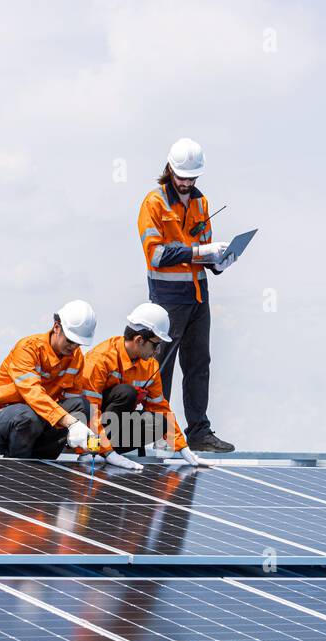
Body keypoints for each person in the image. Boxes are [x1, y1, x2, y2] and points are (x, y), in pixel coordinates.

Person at [136, 137, 237, 454]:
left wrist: (220, 260)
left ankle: (199, 433)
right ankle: (156, 433)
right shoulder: (153, 203)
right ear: (169, 169)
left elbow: (204, 255)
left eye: (192, 178)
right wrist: (199, 251)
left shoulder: (200, 202)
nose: (186, 183)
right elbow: (155, 255)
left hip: (197, 297)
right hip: (167, 300)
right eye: (182, 177)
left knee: (198, 364)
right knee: (160, 366)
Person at [79, 303, 208, 472]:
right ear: (139, 340)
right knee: (126, 393)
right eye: (156, 345)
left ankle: (109, 450)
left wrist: (181, 447)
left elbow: (160, 407)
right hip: (89, 430)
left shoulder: (150, 366)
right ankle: (96, 450)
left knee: (160, 423)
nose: (157, 351)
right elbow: (90, 411)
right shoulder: (100, 360)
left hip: (112, 430)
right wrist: (100, 449)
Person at [0, 300, 100, 459]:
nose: (73, 347)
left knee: (80, 405)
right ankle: (18, 468)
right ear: (56, 327)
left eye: (78, 344)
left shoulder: (76, 358)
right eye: (70, 341)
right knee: (28, 415)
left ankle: (42, 465)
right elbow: (33, 394)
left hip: (36, 424)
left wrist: (88, 445)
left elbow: (73, 403)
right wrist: (70, 422)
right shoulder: (28, 348)